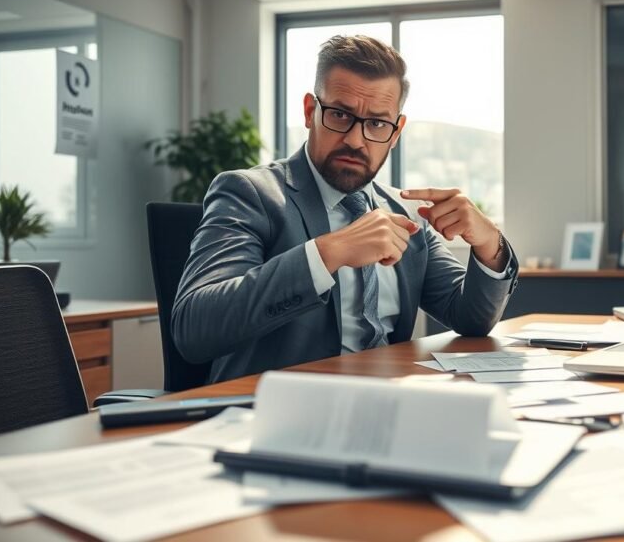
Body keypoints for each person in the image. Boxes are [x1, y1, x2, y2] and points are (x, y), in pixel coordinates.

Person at [171, 35, 518, 383]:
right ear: (310, 112)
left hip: (390, 404)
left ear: (396, 132)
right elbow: (195, 328)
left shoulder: (408, 214)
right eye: (339, 114)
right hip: (280, 414)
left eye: (377, 124)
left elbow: (470, 319)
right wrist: (328, 253)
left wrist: (490, 244)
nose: (356, 140)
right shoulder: (251, 193)